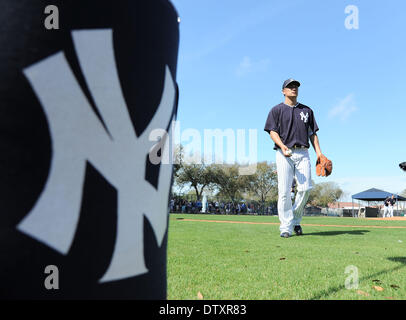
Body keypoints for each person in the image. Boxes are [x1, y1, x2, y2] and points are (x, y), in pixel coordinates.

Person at [264, 79, 323, 238]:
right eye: (290, 86)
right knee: (284, 192)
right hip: (284, 153)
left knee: (305, 189)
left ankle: (295, 220)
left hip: (303, 152)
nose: (294, 88)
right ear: (283, 91)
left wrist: (319, 153)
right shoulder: (276, 110)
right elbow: (272, 131)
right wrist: (282, 146)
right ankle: (285, 227)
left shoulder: (307, 110)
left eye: (296, 86)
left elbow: (312, 134)